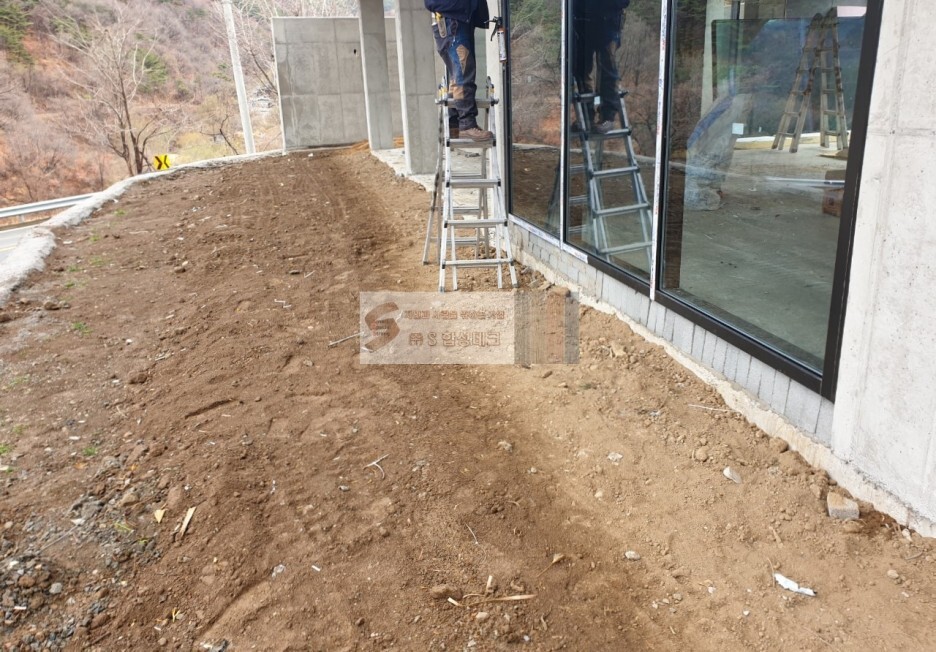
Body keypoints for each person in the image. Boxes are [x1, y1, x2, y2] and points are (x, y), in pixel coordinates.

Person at [425, 0, 492, 141]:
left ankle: (454, 124)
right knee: (463, 71)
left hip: (459, 20)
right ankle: (467, 125)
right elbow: (430, 3)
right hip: (453, 21)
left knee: (458, 75)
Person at [573, 0, 630, 134]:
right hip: (583, 21)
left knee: (607, 67)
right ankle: (586, 116)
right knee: (582, 69)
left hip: (607, 20)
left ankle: (607, 117)